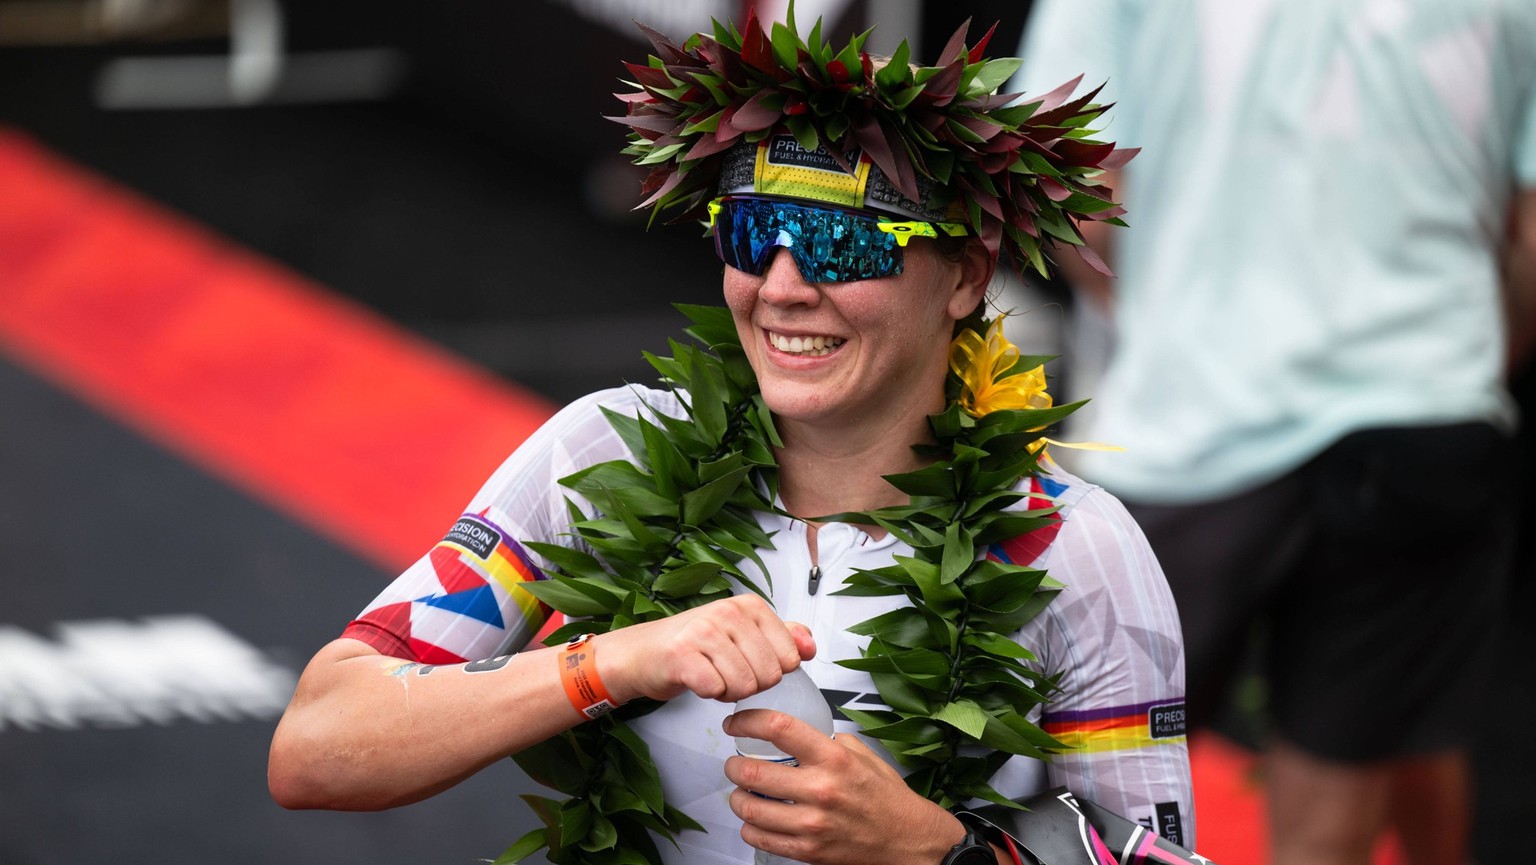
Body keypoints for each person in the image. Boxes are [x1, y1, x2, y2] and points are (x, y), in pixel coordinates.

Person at [268, 10, 1199, 865]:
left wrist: (932, 850)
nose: (784, 286)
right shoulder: (605, 452)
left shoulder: (1070, 545)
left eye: (844, 244)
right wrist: (609, 662)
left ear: (963, 276)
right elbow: (316, 746)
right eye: (753, 233)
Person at [1014, 2, 1536, 864]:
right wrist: (1464, 360)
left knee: (1072, 788)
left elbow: (1063, 174)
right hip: (1423, 407)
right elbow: (1527, 237)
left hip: (1194, 413)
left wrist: (1169, 313)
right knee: (1345, 781)